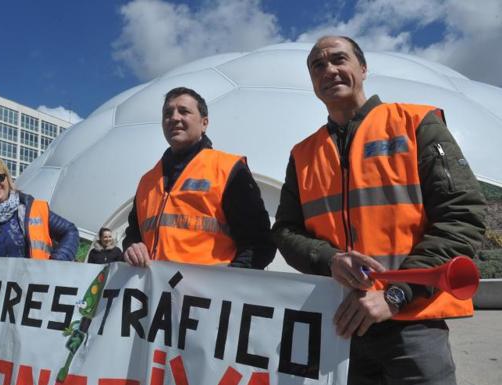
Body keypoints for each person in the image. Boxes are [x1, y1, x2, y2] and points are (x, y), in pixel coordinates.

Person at [272, 35, 486, 384]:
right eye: (318, 65)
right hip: (339, 325)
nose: (329, 70)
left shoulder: (416, 124)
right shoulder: (303, 154)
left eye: (339, 59)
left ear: (363, 67)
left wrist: (397, 294)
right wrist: (329, 259)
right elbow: (284, 231)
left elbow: (461, 215)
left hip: (412, 326)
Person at [123, 86, 275, 268]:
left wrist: (229, 282)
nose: (174, 118)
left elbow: (259, 243)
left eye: (184, 111)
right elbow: (134, 233)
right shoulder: (148, 181)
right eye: (168, 113)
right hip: (154, 291)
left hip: (205, 294)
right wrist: (131, 246)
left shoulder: (228, 170)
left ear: (204, 123)